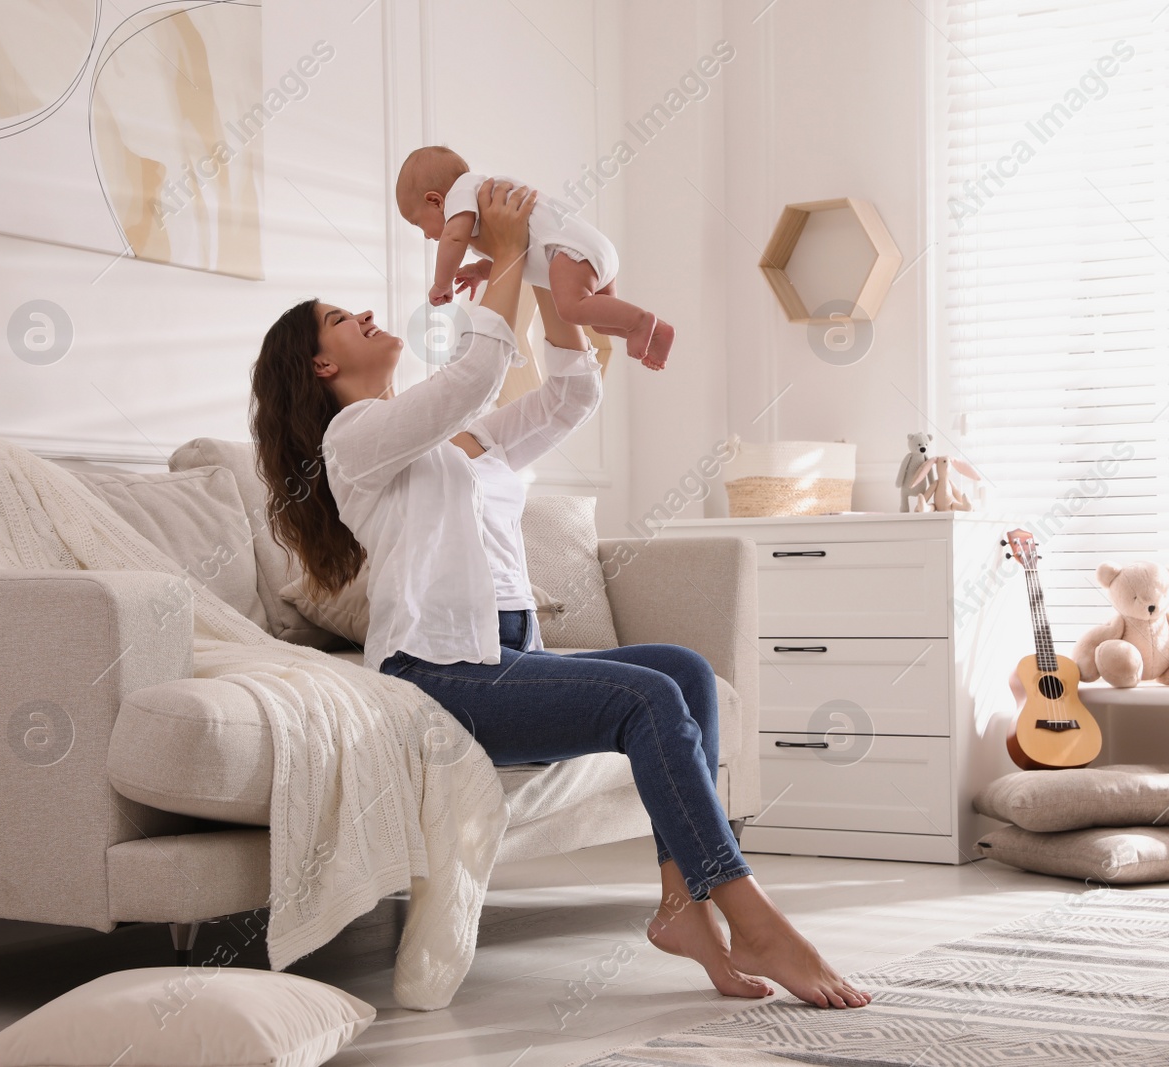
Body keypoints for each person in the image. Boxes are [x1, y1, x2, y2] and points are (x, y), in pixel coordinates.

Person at [249, 178, 868, 1009]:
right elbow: (473, 373)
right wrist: (503, 252)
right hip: (437, 678)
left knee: (683, 670)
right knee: (646, 699)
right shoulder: (354, 440)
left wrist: (543, 269)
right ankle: (749, 910)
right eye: (339, 320)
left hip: (506, 658)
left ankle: (682, 905)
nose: (364, 315)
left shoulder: (449, 444)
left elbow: (575, 394)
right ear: (323, 365)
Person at [395, 145, 673, 370]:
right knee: (599, 320)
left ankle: (639, 321)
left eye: (418, 223)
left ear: (435, 201)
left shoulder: (462, 192)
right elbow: (515, 255)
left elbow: (452, 239)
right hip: (589, 252)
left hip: (568, 253)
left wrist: (441, 284)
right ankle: (656, 331)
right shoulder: (481, 209)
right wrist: (481, 270)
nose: (425, 235)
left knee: (570, 308)